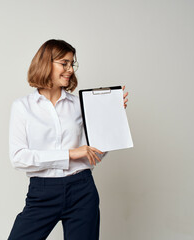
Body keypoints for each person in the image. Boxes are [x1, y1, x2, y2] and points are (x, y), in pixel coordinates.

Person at [7, 39, 129, 240]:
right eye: (64, 63)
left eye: (72, 64)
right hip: (42, 191)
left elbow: (94, 155)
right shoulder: (22, 107)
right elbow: (19, 158)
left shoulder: (80, 104)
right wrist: (70, 154)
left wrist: (111, 118)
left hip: (82, 189)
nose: (70, 69)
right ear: (46, 63)